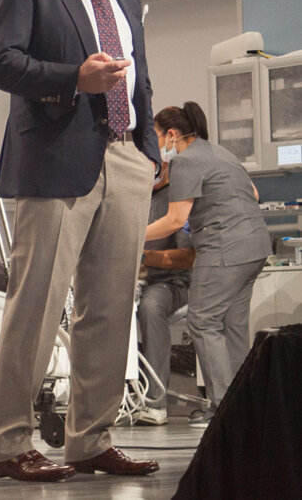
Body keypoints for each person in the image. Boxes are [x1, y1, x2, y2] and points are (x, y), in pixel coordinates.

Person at [0, 0, 161, 482]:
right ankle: (8, 443)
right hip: (54, 159)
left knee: (110, 310)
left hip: (125, 159)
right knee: (35, 307)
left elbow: (140, 78)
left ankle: (91, 439)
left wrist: (147, 149)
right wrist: (71, 78)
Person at [145, 101, 271, 428]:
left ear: (171, 134)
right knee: (231, 326)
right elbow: (254, 194)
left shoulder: (186, 161)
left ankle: (223, 410)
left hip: (225, 248)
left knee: (202, 321)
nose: (157, 146)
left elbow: (175, 220)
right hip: (255, 245)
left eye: (157, 137)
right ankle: (244, 406)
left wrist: (131, 237)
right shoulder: (220, 153)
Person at [136, 164, 196, 426]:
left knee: (150, 307)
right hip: (133, 280)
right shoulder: (136, 198)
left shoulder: (178, 200)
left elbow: (187, 257)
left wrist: (144, 257)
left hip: (171, 283)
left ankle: (154, 401)